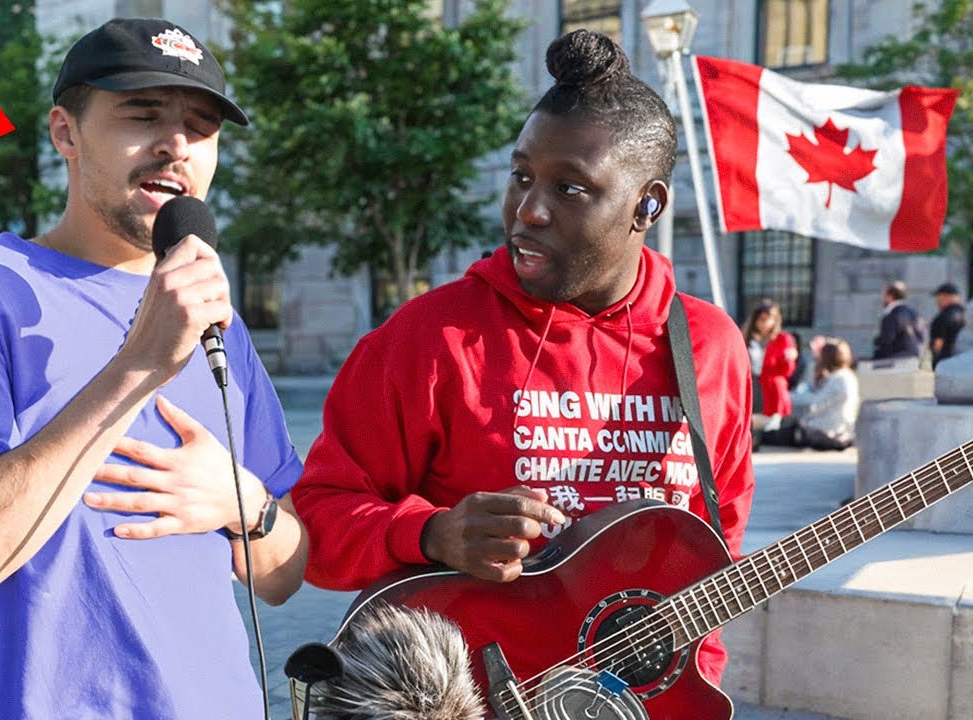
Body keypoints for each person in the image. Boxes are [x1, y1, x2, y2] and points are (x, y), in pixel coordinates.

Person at [291, 29, 754, 690]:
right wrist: (433, 533)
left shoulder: (710, 347)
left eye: (570, 189)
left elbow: (713, 557)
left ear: (646, 204)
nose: (528, 210)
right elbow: (313, 523)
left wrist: (688, 683)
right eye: (521, 176)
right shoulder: (432, 338)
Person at [0, 18, 307, 719]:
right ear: (65, 133)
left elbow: (285, 575)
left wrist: (244, 505)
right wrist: (138, 363)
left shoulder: (215, 319)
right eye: (142, 115)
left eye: (201, 128)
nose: (176, 145)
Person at [762, 337, 859, 450]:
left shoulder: (840, 379)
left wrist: (787, 397)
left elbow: (814, 403)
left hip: (827, 433)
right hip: (836, 432)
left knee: (767, 436)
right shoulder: (844, 376)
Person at [742, 299, 797, 427]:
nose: (765, 323)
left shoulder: (783, 339)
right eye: (762, 319)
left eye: (769, 319)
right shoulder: (747, 338)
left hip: (772, 388)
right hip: (752, 384)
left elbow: (787, 371)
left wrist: (789, 359)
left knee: (769, 424)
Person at [872, 280, 925, 360]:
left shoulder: (891, 315)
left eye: (884, 295)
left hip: (897, 361)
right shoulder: (914, 313)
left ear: (890, 296)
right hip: (915, 359)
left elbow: (886, 342)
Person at [928, 281, 966, 369]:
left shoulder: (943, 317)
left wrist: (935, 361)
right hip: (965, 363)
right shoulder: (967, 314)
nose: (937, 301)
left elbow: (938, 344)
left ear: (947, 296)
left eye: (939, 297)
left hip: (946, 364)